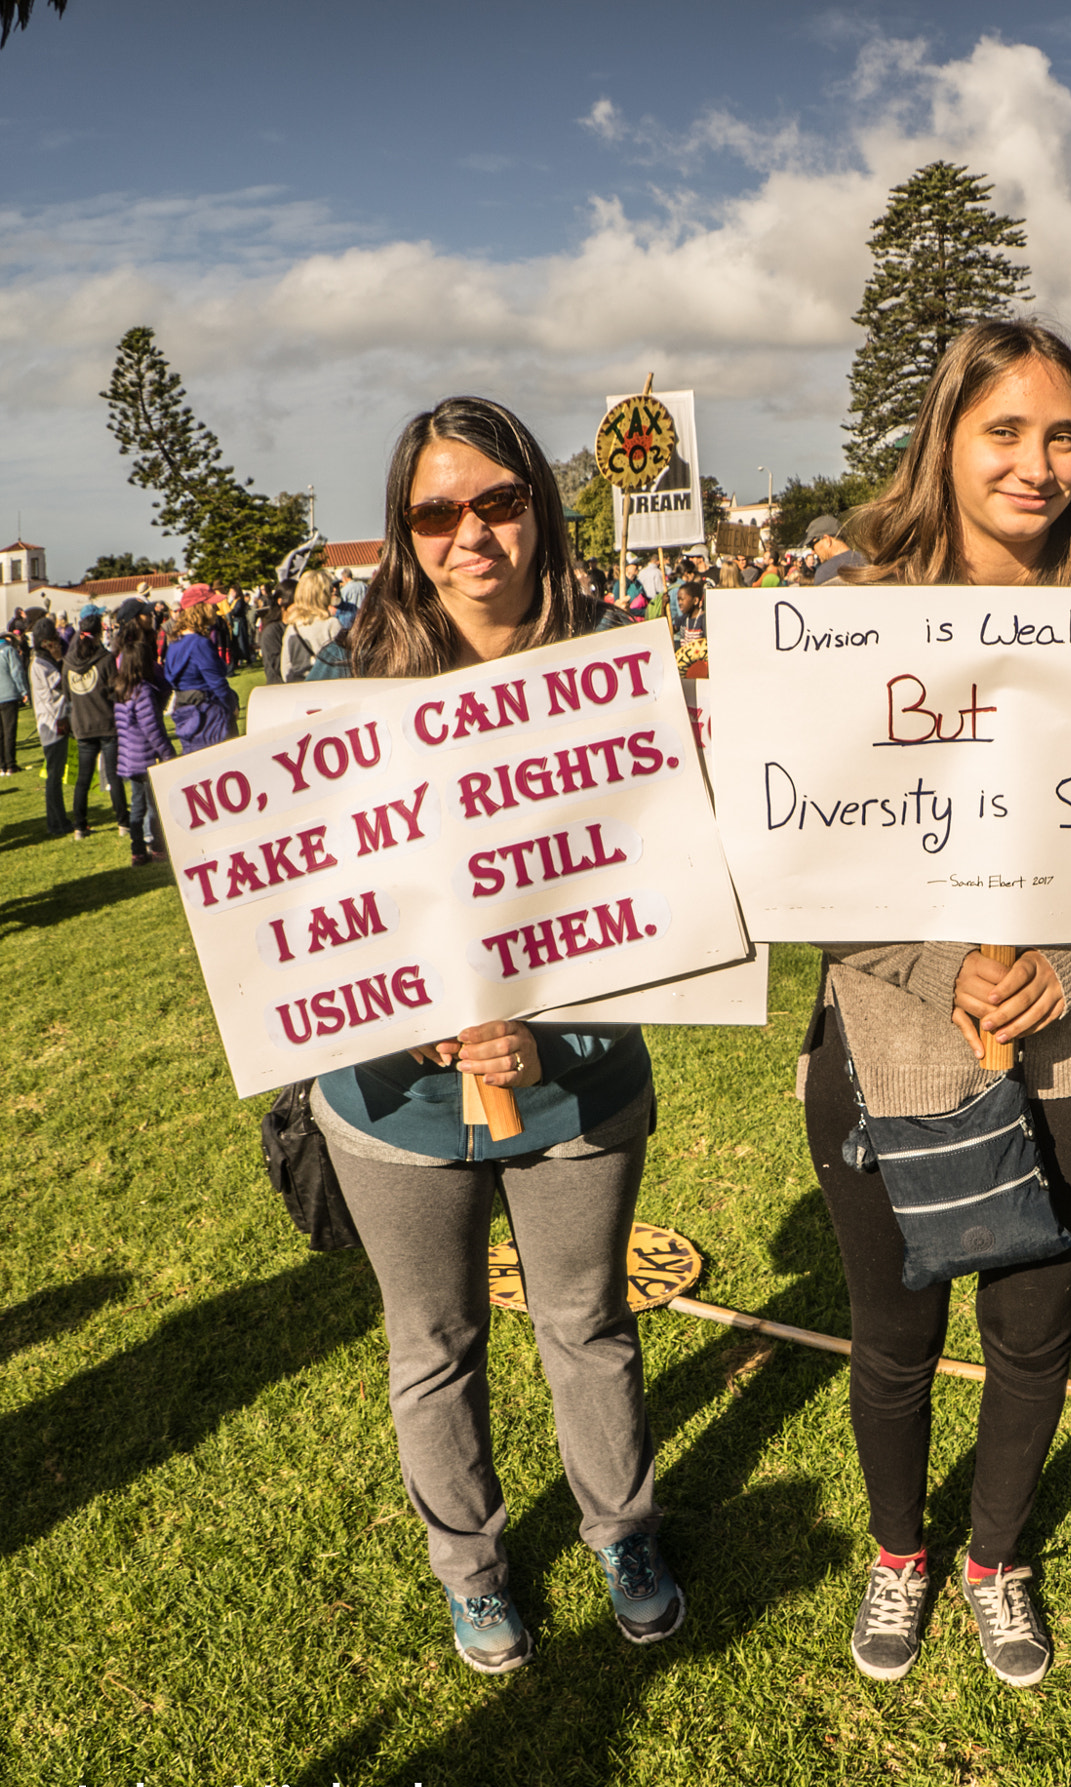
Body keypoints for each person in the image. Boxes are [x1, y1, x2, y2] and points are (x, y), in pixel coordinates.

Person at [309, 394, 682, 1674]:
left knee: (586, 1325)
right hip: (391, 1101)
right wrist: (416, 1029)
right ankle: (470, 1570)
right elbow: (308, 919)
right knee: (434, 1346)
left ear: (539, 505)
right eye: (434, 513)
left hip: (579, 1083)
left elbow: (670, 907)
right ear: (406, 537)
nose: (469, 534)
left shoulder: (621, 672)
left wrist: (554, 1031)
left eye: (497, 502)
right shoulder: (340, 696)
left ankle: (622, 1534)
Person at [815, 320, 1071, 1691]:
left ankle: (997, 1553)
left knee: (1034, 1327)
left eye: (1062, 433)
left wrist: (1070, 963)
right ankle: (903, 1549)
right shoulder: (845, 626)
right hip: (889, 1043)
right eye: (1004, 428)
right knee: (894, 1333)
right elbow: (806, 846)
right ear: (943, 440)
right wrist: (947, 969)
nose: (1038, 461)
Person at [110, 619, 174, 866]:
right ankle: (157, 847)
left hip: (129, 757)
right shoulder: (143, 691)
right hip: (147, 756)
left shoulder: (121, 689)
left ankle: (137, 850)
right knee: (154, 806)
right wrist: (167, 753)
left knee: (137, 805)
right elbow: (152, 729)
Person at [63, 608, 125, 839]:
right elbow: (115, 691)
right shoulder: (107, 659)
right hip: (106, 723)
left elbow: (67, 694)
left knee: (83, 780)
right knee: (113, 775)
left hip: (82, 725)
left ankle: (80, 826)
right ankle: (123, 822)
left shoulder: (68, 663)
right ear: (100, 633)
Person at [162, 611, 238, 753]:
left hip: (185, 711)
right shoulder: (199, 643)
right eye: (212, 607)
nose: (215, 611)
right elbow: (217, 683)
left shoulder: (174, 643)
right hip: (208, 714)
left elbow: (169, 677)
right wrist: (231, 704)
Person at [28, 616, 71, 838]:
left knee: (56, 774)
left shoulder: (44, 661)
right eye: (53, 639)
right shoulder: (42, 663)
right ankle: (56, 823)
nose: (57, 642)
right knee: (54, 776)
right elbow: (62, 684)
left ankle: (60, 819)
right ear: (45, 642)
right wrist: (60, 659)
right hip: (52, 723)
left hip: (55, 720)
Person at [0, 607, 28, 775]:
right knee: (10, 731)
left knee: (0, 733)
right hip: (9, 695)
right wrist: (24, 691)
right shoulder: (9, 651)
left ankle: (1, 765)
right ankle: (11, 764)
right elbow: (17, 672)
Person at [807, 513, 866, 585]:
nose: (813, 551)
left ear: (827, 540)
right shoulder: (869, 561)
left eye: (812, 545)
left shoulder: (825, 573)